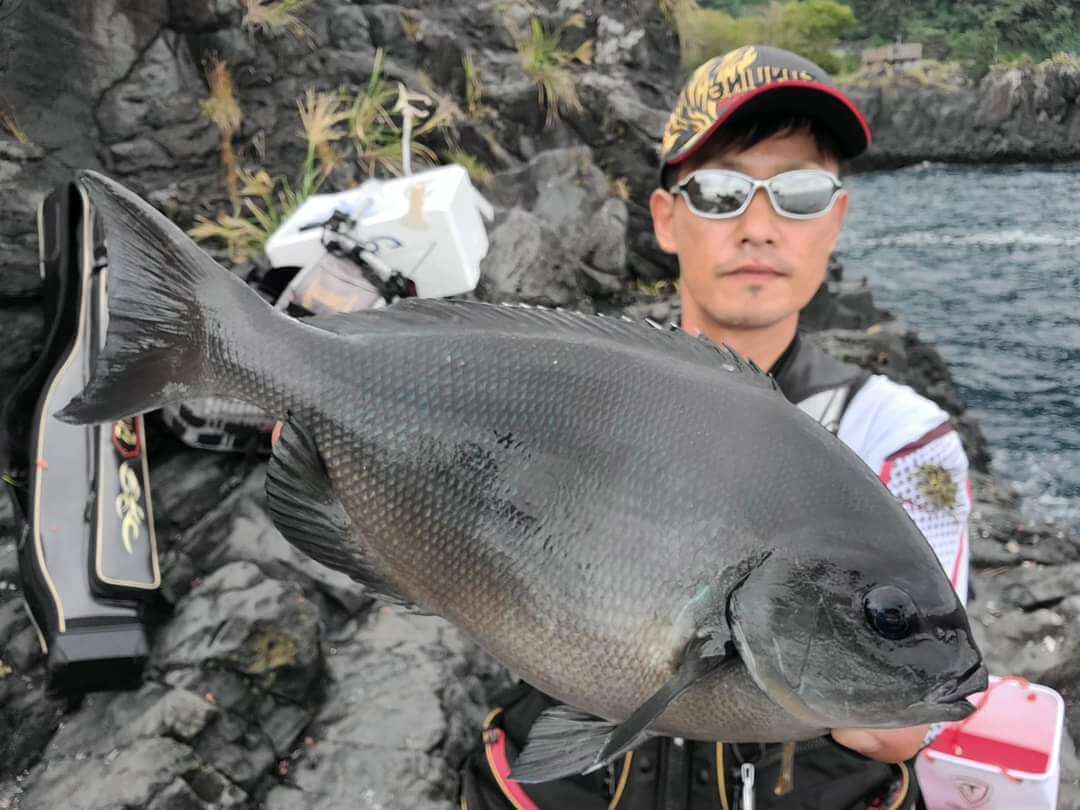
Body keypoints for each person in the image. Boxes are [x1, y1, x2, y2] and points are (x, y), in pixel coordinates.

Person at [458, 45, 972, 810]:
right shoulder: (564, 388)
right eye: (723, 192)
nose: (759, 226)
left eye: (798, 193)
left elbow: (902, 722)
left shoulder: (902, 437)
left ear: (836, 220)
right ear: (666, 219)